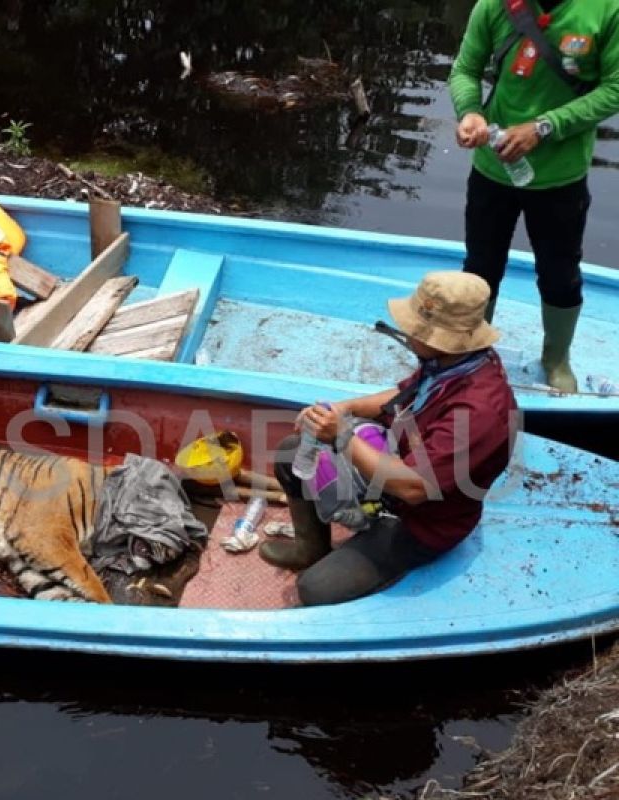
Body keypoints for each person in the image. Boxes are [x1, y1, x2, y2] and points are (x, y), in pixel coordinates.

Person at [258, 272, 517, 606]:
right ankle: (311, 548)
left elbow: (414, 488)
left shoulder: (479, 410)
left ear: (443, 340)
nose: (408, 335)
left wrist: (342, 434)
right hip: (394, 471)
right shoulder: (448, 363)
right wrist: (345, 407)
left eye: (415, 330)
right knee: (292, 454)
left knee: (315, 589)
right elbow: (401, 394)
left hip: (423, 521)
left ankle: (386, 555)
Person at [449, 0, 619, 392]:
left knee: (560, 274)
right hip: (492, 168)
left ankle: (556, 358)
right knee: (480, 266)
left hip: (560, 176)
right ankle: (471, 353)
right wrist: (470, 111)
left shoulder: (605, 10)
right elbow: (466, 69)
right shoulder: (494, 5)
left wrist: (544, 126)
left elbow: (613, 89)